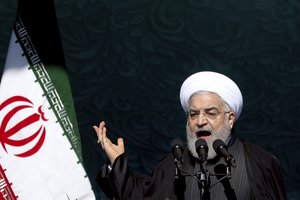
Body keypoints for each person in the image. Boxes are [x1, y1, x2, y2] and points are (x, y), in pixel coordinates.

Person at [93, 71, 287, 200]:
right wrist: (117, 161)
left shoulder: (260, 162)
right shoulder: (174, 163)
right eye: (193, 114)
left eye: (211, 113)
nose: (200, 121)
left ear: (230, 118)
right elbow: (141, 196)